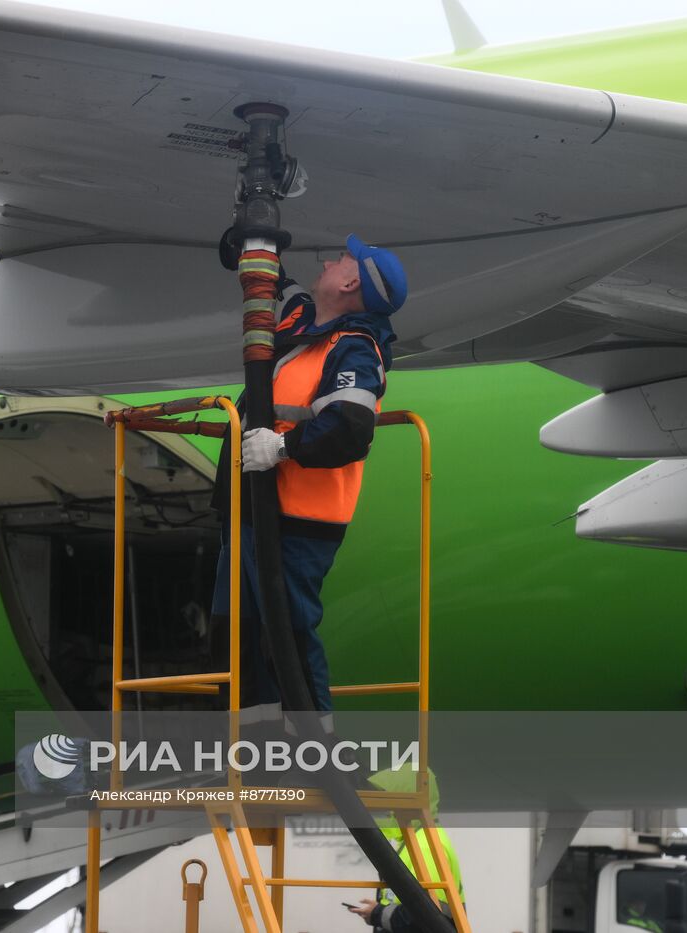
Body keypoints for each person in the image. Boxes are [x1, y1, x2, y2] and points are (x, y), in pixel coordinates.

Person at [210, 235, 408, 726]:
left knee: (288, 635)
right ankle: (255, 751)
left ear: (350, 281)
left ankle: (318, 758)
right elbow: (290, 290)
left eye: (340, 259)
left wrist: (282, 447)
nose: (327, 261)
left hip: (296, 518)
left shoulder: (356, 351)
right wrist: (252, 249)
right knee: (238, 633)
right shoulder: (309, 322)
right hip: (252, 508)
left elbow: (349, 428)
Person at [347, 767, 465, 933]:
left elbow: (427, 916)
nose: (379, 813)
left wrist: (377, 914)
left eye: (384, 805)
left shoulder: (425, 847)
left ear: (405, 803)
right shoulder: (416, 842)